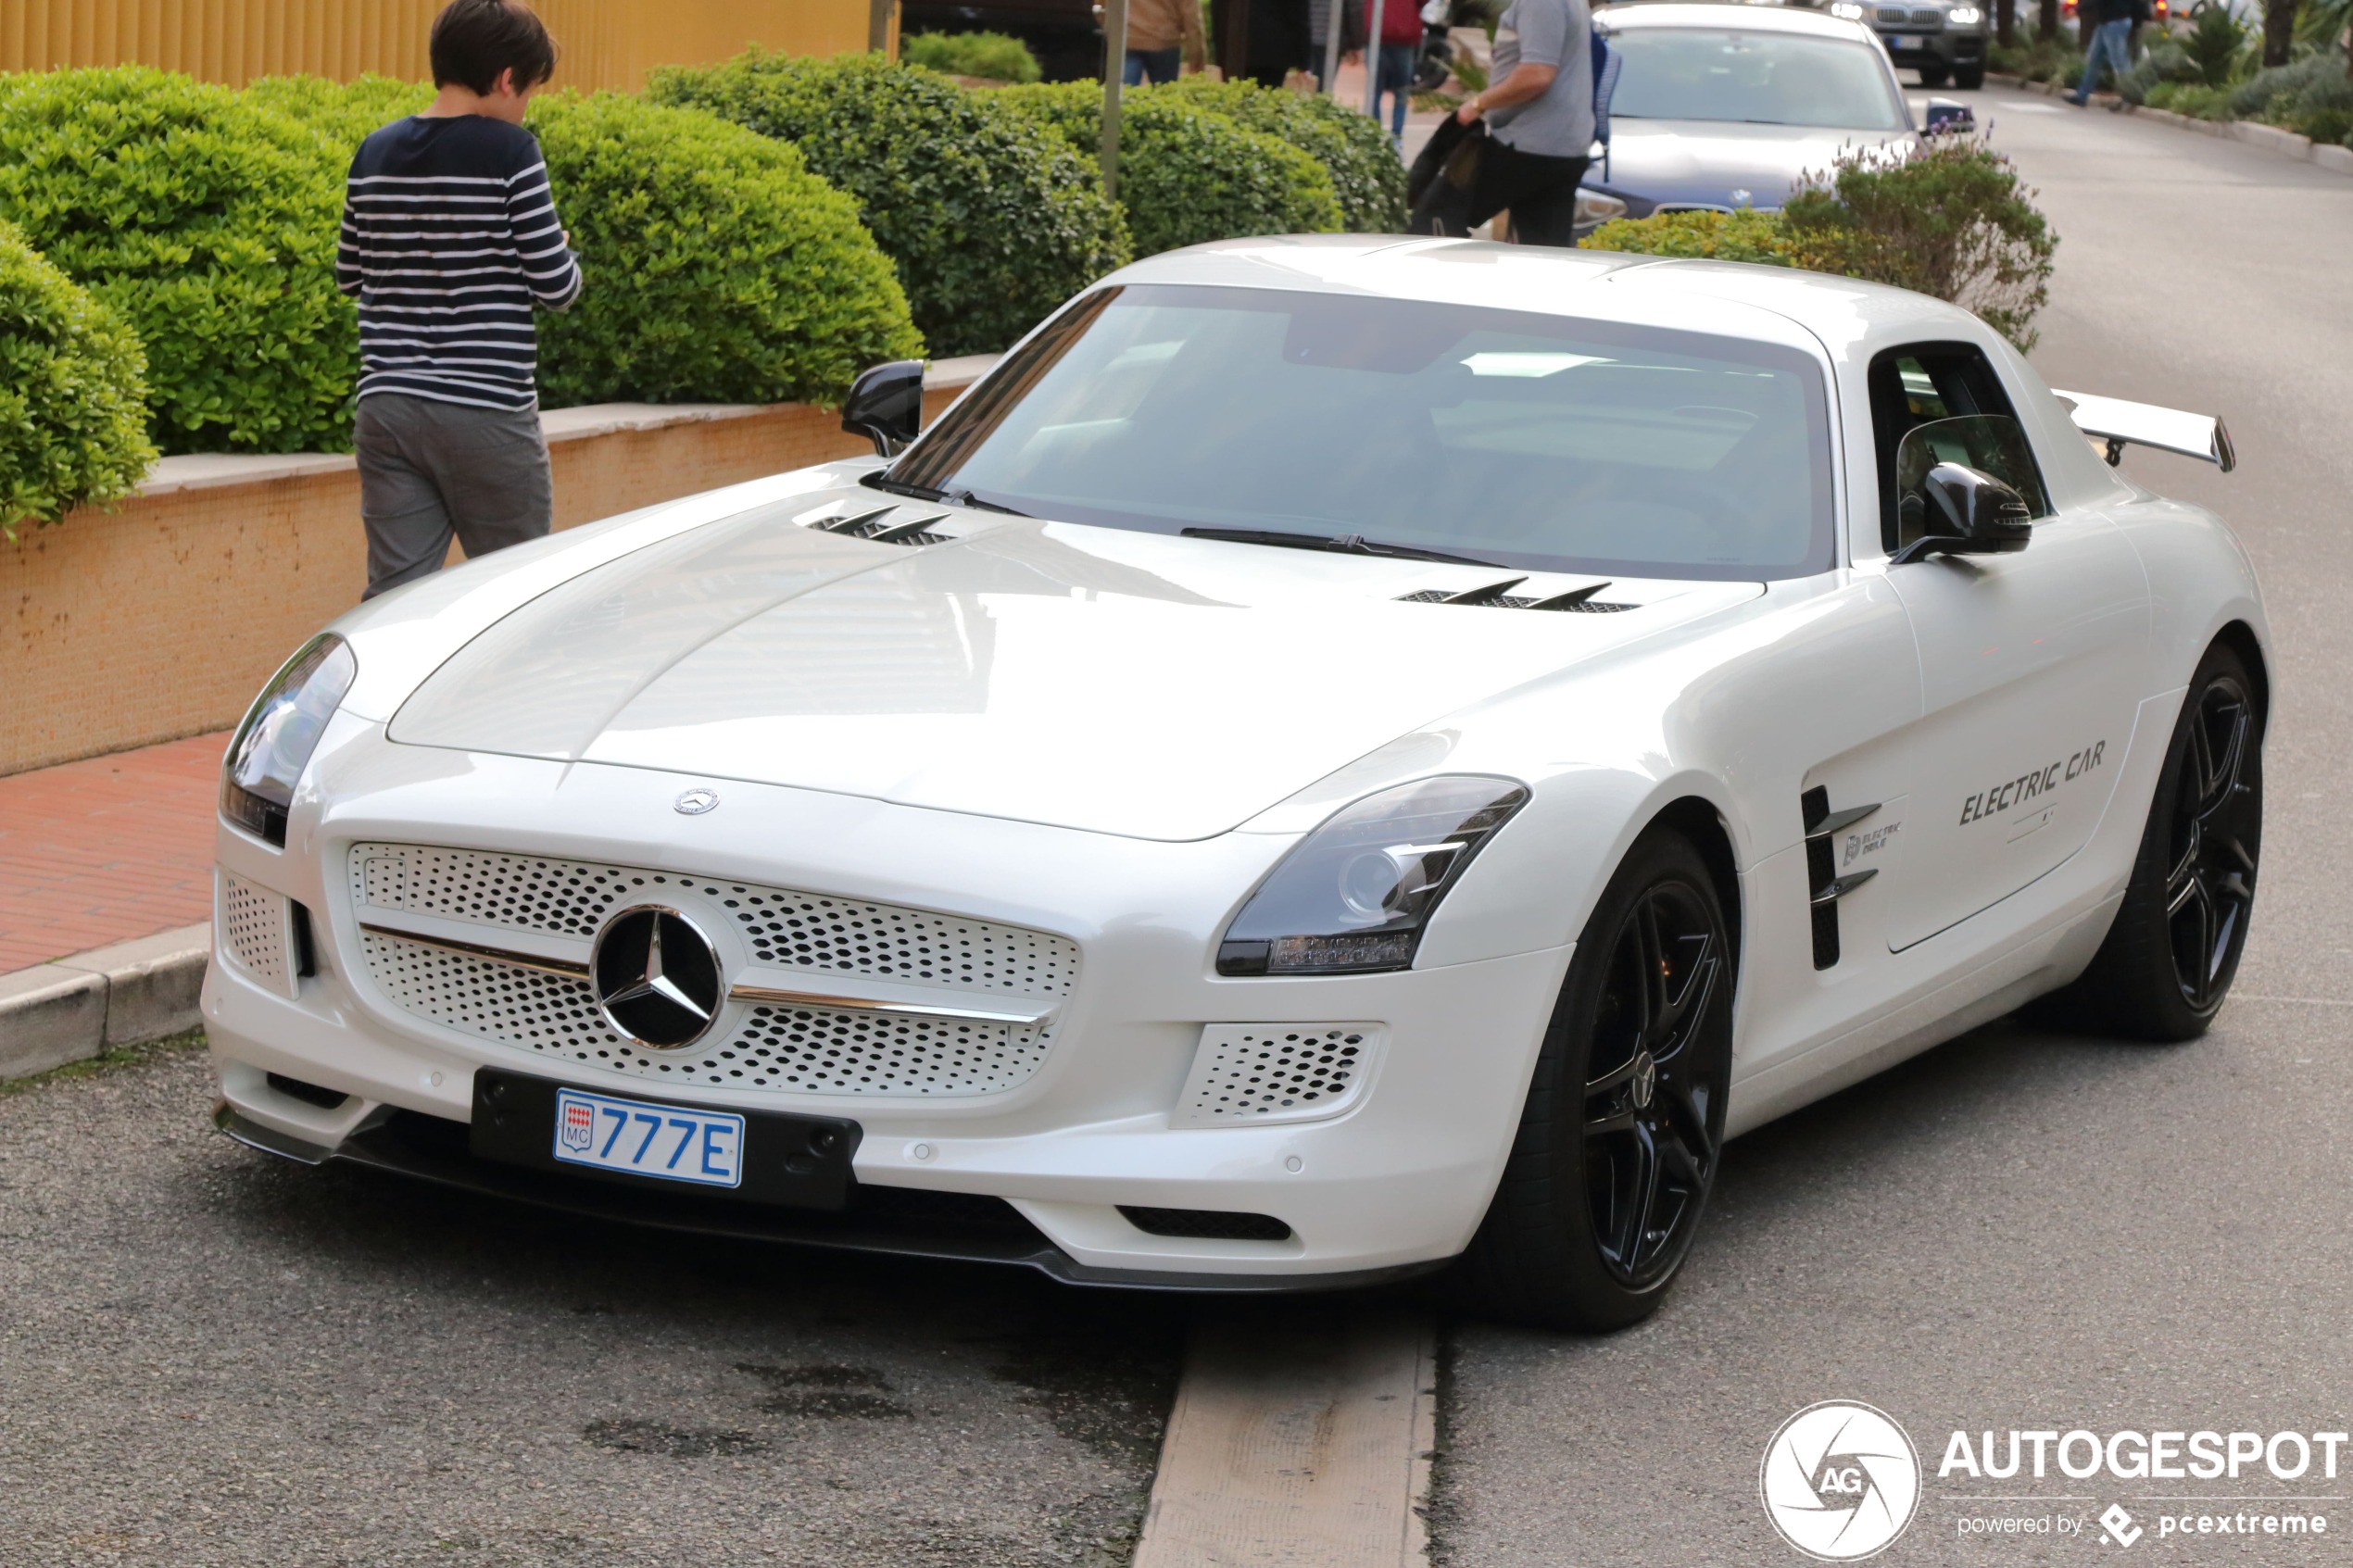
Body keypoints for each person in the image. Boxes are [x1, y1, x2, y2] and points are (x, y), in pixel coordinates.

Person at [335, 0, 584, 600]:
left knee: (395, 598)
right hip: (486, 409)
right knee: (517, 595)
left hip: (388, 406)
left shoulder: (374, 152)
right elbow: (557, 287)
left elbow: (349, 276)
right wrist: (562, 252)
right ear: (505, 79)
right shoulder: (510, 150)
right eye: (529, 91)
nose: (526, 107)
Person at [1445, 0, 1594, 246]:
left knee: (1440, 218)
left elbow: (1537, 74)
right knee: (1543, 251)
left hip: (1528, 143)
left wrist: (1477, 104)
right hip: (1564, 145)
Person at [2070, 0, 2144, 106]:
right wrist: (2137, 22)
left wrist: (2078, 8)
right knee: (2094, 60)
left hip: (2114, 23)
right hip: (2109, 22)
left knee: (2120, 62)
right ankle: (2081, 95)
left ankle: (2132, 95)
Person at [1126, 0, 1208, 84]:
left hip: (1129, 39)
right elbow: (1191, 17)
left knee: (1123, 92)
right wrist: (1197, 59)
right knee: (1165, 92)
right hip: (1165, 42)